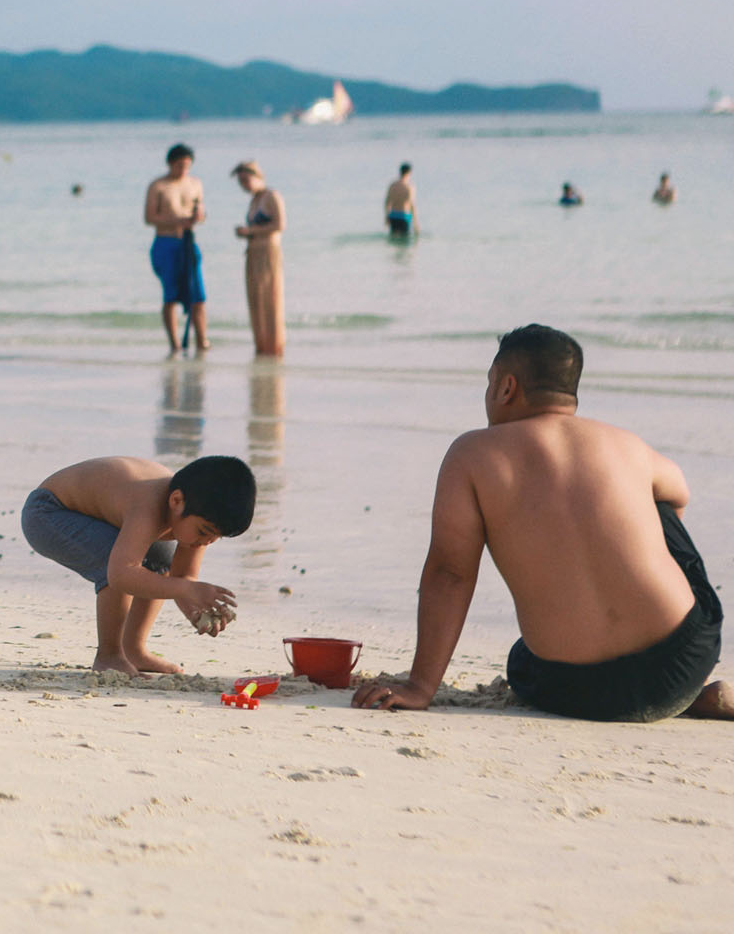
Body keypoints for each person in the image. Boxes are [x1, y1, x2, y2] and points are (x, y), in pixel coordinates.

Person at [353, 325, 731, 721]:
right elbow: (679, 494)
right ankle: (692, 696)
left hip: (573, 688)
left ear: (506, 387)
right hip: (682, 664)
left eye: (489, 383)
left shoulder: (472, 454)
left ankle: (672, 695)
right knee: (657, 503)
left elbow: (450, 573)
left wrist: (421, 685)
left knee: (522, 658)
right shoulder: (625, 443)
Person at [21, 456, 255, 675]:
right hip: (47, 512)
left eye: (216, 537)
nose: (207, 542)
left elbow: (182, 579)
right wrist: (186, 589)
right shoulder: (148, 505)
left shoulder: (195, 511)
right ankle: (109, 655)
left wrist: (196, 610)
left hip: (98, 517)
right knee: (114, 561)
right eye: (204, 532)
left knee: (161, 560)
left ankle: (134, 650)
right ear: (176, 501)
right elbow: (121, 575)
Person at [144, 143, 208, 354]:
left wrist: (198, 216)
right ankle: (175, 344)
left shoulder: (195, 183)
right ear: (171, 163)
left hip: (188, 242)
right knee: (170, 296)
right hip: (166, 242)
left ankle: (202, 341)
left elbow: (202, 214)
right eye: (180, 165)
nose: (183, 169)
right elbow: (149, 217)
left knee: (198, 295)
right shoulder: (158, 186)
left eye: (187, 165)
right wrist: (177, 220)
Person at [232, 161, 285, 357]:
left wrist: (251, 230)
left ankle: (274, 347)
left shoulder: (271, 196)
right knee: (256, 301)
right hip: (253, 252)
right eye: (241, 182)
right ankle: (261, 347)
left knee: (270, 299)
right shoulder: (255, 200)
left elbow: (280, 225)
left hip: (268, 252)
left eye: (246, 180)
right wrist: (247, 234)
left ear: (257, 176)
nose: (244, 185)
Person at [384, 163, 416, 237]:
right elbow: (412, 205)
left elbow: (387, 202)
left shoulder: (393, 185)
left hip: (393, 216)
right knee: (404, 242)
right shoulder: (409, 187)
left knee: (394, 239)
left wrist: (387, 216)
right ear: (409, 173)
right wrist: (415, 223)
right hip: (404, 216)